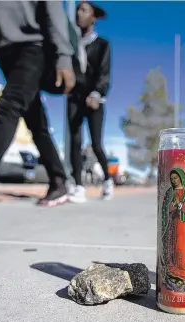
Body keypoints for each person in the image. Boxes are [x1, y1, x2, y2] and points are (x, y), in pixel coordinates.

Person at [0, 1, 76, 206]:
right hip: (4, 52)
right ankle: (58, 180)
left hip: (33, 47)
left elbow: (53, 10)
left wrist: (63, 56)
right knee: (35, 120)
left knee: (9, 106)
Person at [67, 1, 113, 203]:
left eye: (84, 10)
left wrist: (96, 93)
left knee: (95, 144)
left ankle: (108, 180)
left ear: (93, 18)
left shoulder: (102, 44)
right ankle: (78, 185)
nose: (79, 13)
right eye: (77, 10)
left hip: (95, 99)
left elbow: (104, 74)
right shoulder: (71, 45)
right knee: (74, 141)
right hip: (75, 98)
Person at [160, 168, 185, 290]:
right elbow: (165, 209)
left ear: (181, 177)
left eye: (176, 178)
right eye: (172, 178)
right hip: (172, 224)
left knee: (182, 247)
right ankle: (173, 272)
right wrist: (172, 206)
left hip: (184, 225)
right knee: (172, 247)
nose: (174, 180)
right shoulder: (169, 192)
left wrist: (182, 205)